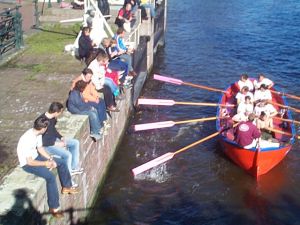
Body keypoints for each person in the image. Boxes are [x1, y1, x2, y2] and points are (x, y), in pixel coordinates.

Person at [17, 117, 79, 218]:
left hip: (36, 157)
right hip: (28, 164)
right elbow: (30, 162)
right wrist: (45, 163)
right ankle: (54, 207)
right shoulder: (27, 140)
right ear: (43, 128)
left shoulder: (37, 133)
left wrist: (50, 158)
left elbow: (40, 149)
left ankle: (67, 187)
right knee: (50, 177)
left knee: (62, 162)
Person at [38, 102, 83, 177]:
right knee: (67, 155)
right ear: (56, 112)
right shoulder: (43, 121)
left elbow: (53, 130)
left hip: (53, 140)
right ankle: (69, 174)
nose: (60, 114)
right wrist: (58, 144)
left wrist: (61, 137)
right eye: (60, 112)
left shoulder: (53, 118)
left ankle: (74, 167)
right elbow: (43, 141)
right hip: (46, 146)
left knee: (75, 143)